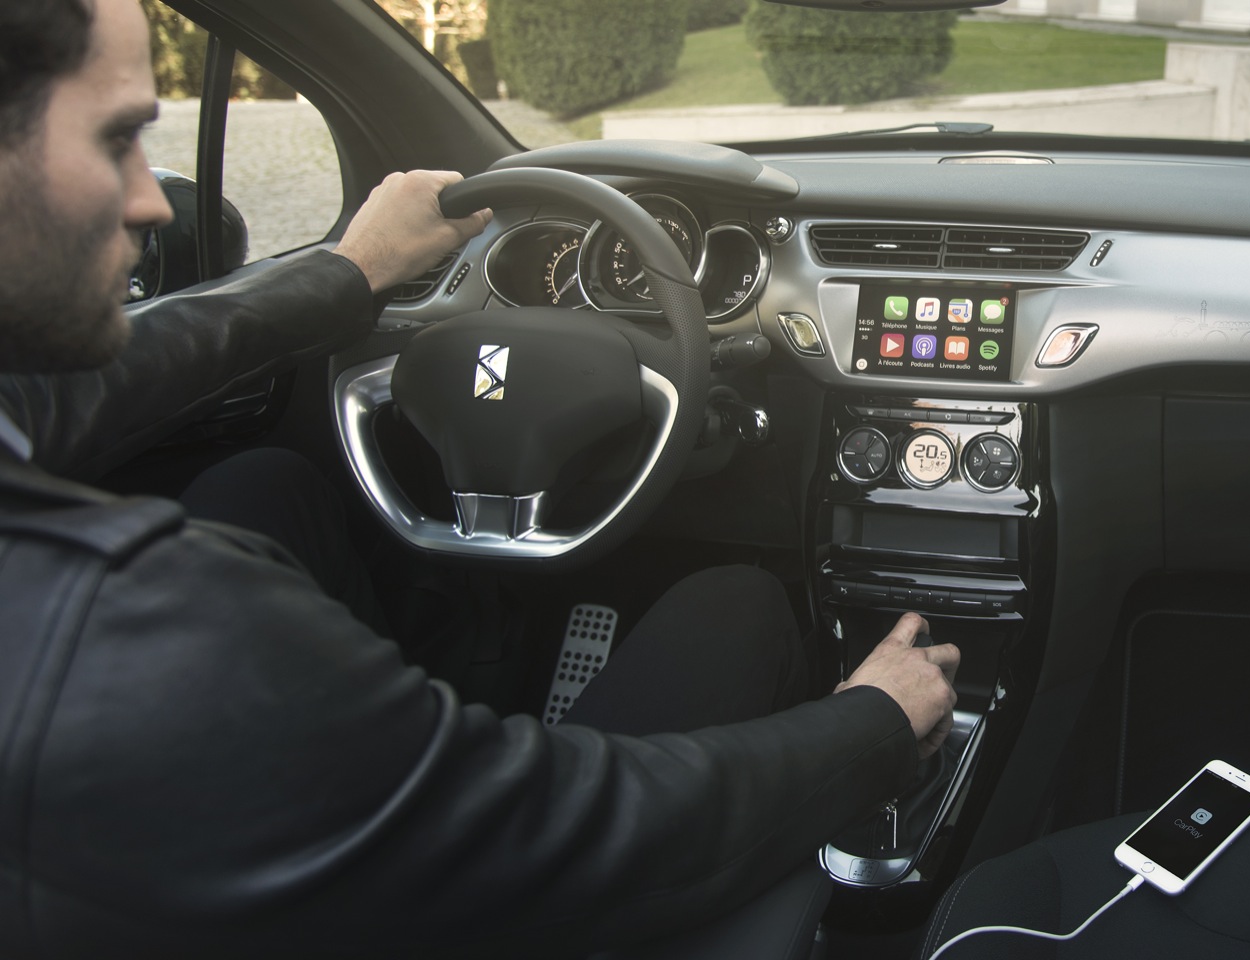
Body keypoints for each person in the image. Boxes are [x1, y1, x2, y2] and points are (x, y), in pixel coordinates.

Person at [0, 0, 960, 956]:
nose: (154, 202)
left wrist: (352, 270)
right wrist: (871, 728)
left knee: (265, 484)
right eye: (117, 139)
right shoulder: (141, 626)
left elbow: (82, 389)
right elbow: (560, 826)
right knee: (735, 605)